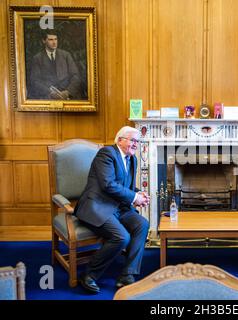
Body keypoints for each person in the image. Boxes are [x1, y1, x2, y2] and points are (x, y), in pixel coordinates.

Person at [75, 126, 150, 293]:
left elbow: (125, 186)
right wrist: (133, 197)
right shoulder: (107, 154)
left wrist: (138, 194)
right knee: (121, 237)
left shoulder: (132, 159)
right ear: (120, 140)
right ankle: (89, 275)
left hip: (119, 207)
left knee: (142, 224)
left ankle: (127, 274)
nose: (135, 144)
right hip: (97, 206)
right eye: (132, 140)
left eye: (137, 141)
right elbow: (108, 185)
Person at [28, 30, 83, 100]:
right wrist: (50, 92)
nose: (54, 42)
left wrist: (67, 92)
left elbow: (76, 76)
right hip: (48, 96)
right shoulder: (37, 58)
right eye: (50, 39)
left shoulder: (66, 55)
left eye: (56, 39)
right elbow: (35, 81)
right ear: (44, 41)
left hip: (67, 96)